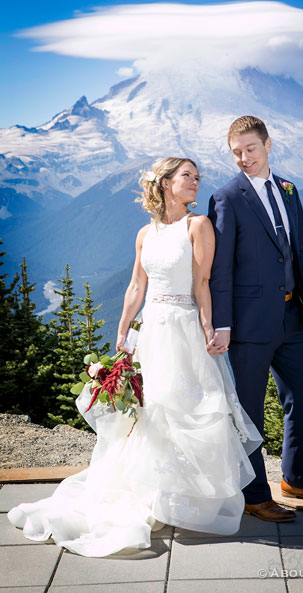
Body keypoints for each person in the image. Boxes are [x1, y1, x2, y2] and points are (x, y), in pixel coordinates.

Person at [8, 157, 262, 557]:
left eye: (197, 177)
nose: (195, 183)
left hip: (183, 327)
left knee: (187, 409)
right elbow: (134, 285)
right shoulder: (145, 233)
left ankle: (186, 500)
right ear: (164, 184)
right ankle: (155, 492)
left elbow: (201, 282)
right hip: (151, 329)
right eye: (186, 177)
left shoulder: (198, 226)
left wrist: (210, 327)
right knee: (149, 411)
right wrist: (123, 328)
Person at [207, 116, 303, 523]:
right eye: (236, 153)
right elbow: (220, 269)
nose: (243, 159)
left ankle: (296, 478)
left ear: (268, 145)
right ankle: (254, 494)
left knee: (302, 394)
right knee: (248, 411)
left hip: (291, 315)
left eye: (250, 149)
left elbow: (301, 250)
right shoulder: (226, 197)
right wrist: (223, 324)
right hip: (247, 325)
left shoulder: (288, 188)